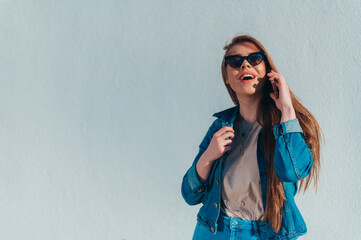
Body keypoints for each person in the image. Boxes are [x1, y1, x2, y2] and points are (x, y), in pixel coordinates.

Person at [181, 34, 322, 240]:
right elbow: (189, 194)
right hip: (214, 231)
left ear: (267, 71)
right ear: (227, 78)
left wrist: (287, 109)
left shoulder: (287, 127)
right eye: (235, 62)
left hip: (266, 234)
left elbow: (292, 172)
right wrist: (209, 155)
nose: (245, 64)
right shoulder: (220, 126)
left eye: (255, 59)